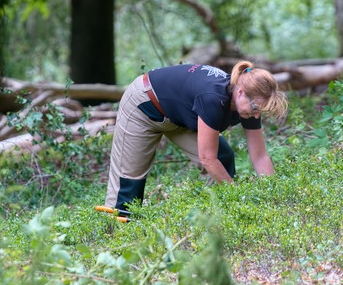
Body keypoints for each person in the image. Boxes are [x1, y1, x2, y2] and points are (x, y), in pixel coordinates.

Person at [104, 60, 288, 213]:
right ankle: (117, 233)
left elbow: (260, 155)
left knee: (223, 157)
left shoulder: (250, 107)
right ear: (240, 93)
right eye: (256, 109)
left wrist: (275, 196)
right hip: (143, 105)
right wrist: (237, 198)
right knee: (129, 181)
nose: (257, 115)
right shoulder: (213, 98)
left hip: (179, 116)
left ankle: (215, 218)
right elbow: (207, 158)